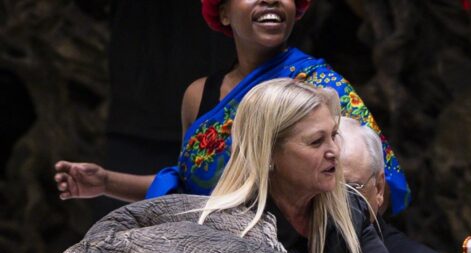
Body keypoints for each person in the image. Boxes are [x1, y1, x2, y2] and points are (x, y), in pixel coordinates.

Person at [53, 0, 411, 214]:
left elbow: (373, 182)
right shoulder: (199, 95)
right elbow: (187, 188)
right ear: (222, 12)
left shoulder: (318, 86)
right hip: (203, 251)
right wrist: (104, 182)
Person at [196, 78, 415, 253]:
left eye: (334, 136)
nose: (334, 151)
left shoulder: (350, 207)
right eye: (316, 141)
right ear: (268, 154)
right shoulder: (228, 231)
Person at [338, 117, 462, 253]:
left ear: (379, 188)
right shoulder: (288, 245)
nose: (334, 201)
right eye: (326, 189)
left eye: (351, 189)